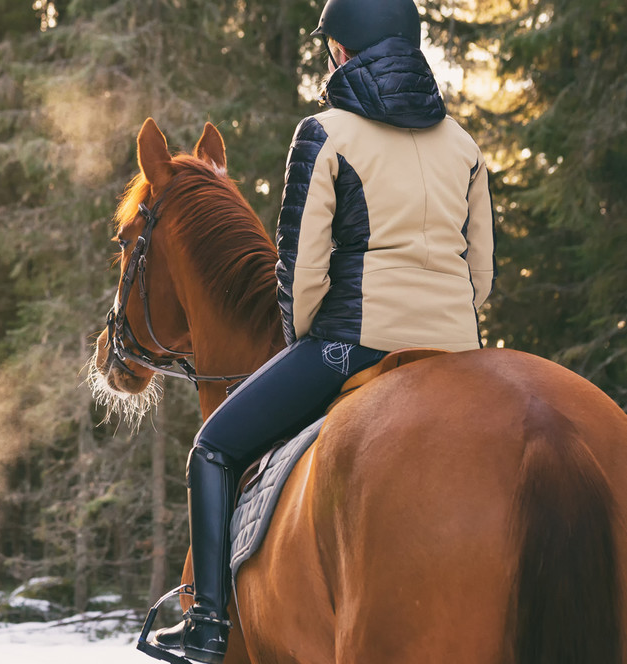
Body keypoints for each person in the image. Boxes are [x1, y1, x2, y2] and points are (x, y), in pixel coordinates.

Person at [145, 0, 495, 661]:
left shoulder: (325, 133)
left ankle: (208, 624)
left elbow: (302, 269)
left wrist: (307, 339)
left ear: (341, 50)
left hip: (352, 343)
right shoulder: (462, 144)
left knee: (213, 449)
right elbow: (480, 273)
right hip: (456, 350)